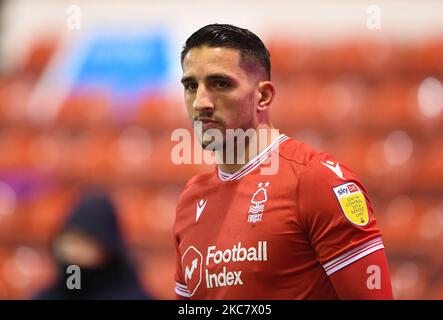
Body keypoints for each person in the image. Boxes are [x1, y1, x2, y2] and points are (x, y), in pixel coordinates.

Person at [173, 23, 393, 299]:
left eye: (220, 83)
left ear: (262, 96)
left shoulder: (317, 181)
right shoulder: (191, 199)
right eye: (191, 86)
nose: (199, 103)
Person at [35, 192, 151, 300]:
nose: (72, 252)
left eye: (83, 243)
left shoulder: (132, 294)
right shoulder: (49, 295)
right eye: (69, 242)